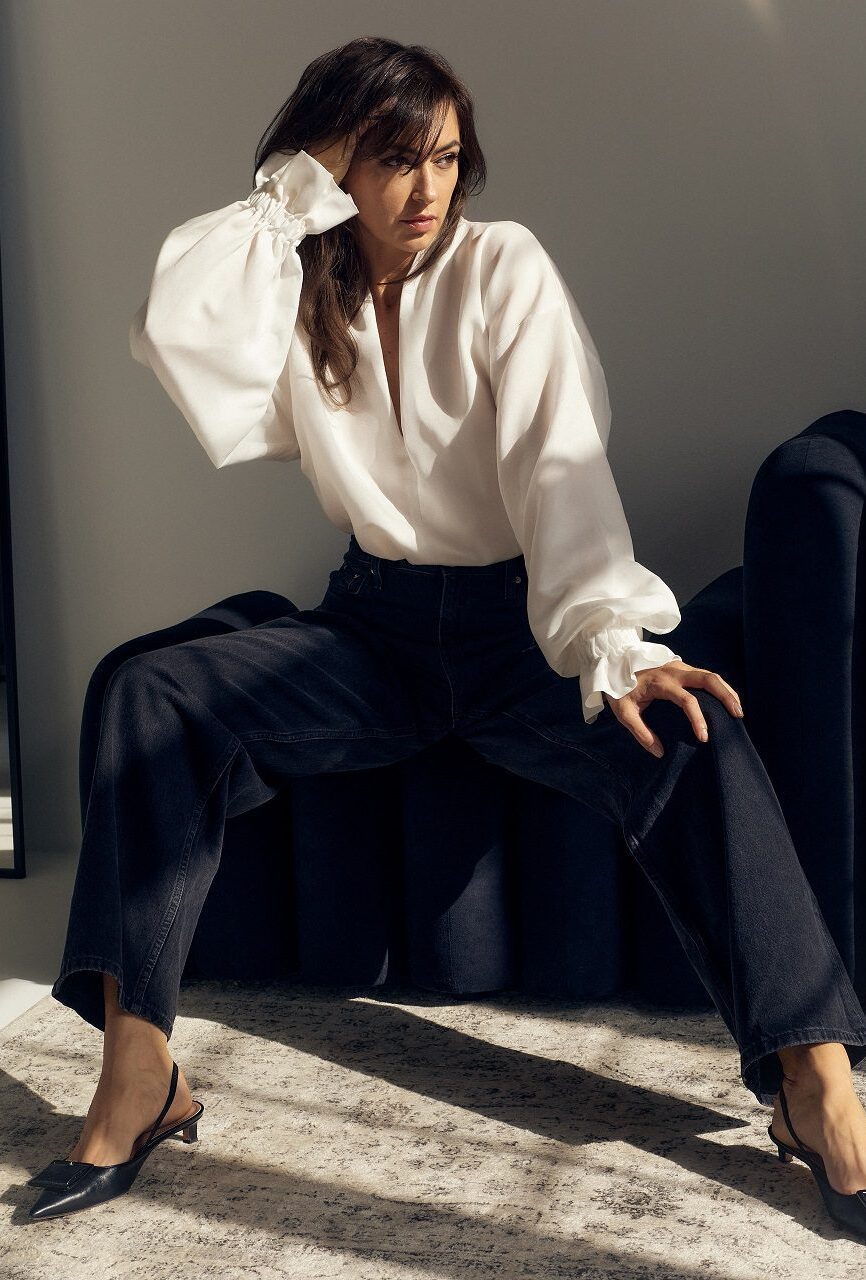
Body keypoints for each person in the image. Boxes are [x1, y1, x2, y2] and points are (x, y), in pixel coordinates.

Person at [29, 36, 866, 1232]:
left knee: (694, 736)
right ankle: (139, 1072)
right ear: (336, 163)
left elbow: (556, 465)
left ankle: (814, 1085)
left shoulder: (501, 267)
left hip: (517, 630)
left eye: (444, 157)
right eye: (391, 158)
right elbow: (176, 329)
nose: (426, 188)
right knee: (147, 692)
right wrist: (294, 188)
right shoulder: (299, 290)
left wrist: (612, 643)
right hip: (369, 631)